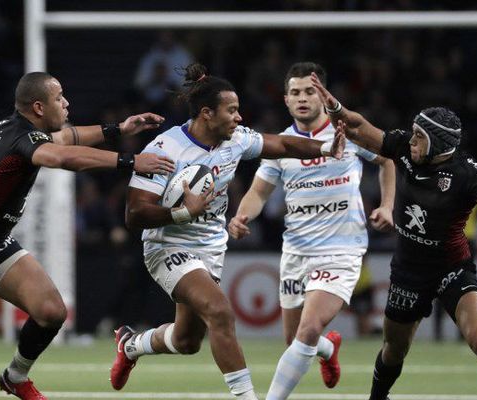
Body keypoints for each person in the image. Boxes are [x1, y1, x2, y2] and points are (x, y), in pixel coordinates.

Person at [0, 72, 175, 399]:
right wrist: (131, 160)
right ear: (39, 107)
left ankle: (15, 377)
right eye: (59, 98)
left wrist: (118, 130)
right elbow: (61, 156)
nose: (66, 104)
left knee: (51, 311)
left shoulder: (19, 128)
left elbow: (66, 140)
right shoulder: (24, 140)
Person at [109, 62, 346, 400]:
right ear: (207, 113)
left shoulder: (236, 140)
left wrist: (325, 148)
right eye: (231, 110)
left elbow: (282, 145)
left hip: (210, 248)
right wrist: (181, 212)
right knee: (220, 311)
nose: (238, 117)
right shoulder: (165, 151)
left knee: (187, 341)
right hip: (168, 245)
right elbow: (134, 215)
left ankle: (131, 345)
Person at [311, 72, 477, 400]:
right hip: (408, 271)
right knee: (394, 349)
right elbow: (360, 128)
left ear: (438, 143)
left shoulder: (466, 173)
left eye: (420, 136)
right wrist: (335, 108)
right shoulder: (404, 149)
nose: (412, 141)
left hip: (452, 268)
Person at [227, 62, 395, 400]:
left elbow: (388, 159)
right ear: (286, 101)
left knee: (308, 328)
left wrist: (387, 205)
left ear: (323, 95)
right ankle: (328, 351)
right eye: (295, 93)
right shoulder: (281, 145)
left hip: (341, 251)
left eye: (309, 91)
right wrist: (241, 216)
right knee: (295, 340)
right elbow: (259, 192)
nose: (302, 98)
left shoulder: (346, 132)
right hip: (296, 252)